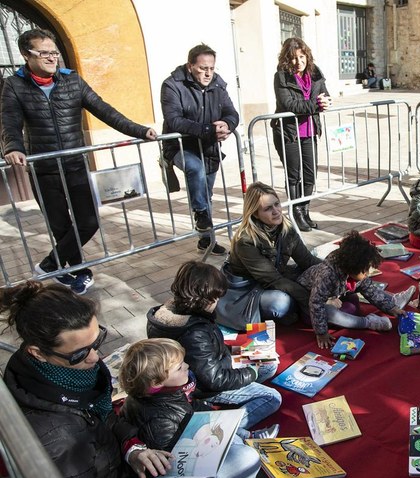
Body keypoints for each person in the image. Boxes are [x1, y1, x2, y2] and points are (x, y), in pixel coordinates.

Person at [1, 29, 156, 294]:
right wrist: (12, 147)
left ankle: (50, 265)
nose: (52, 57)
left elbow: (105, 110)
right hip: (45, 170)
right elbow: (10, 123)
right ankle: (78, 272)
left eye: (54, 52)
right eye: (44, 52)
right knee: (61, 228)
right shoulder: (14, 85)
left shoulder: (72, 81)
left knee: (88, 222)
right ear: (27, 55)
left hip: (75, 166)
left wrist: (140, 130)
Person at [1, 281, 171, 478]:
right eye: (79, 353)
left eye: (97, 340)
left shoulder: (59, 374)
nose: (95, 357)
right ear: (38, 353)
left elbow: (102, 417)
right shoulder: (57, 439)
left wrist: (132, 449)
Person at [118, 338, 264, 478]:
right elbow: (173, 466)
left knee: (236, 440)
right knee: (246, 456)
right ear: (156, 382)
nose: (187, 366)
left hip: (193, 447)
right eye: (179, 367)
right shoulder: (157, 421)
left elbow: (188, 407)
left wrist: (213, 416)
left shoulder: (165, 392)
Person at [146, 261, 282, 439]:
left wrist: (243, 353)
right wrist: (251, 373)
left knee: (268, 364)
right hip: (204, 387)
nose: (217, 303)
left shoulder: (173, 313)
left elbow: (209, 353)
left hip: (208, 371)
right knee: (272, 397)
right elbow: (214, 380)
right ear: (204, 299)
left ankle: (242, 393)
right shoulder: (194, 332)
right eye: (216, 298)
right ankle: (225, 429)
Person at [161, 43, 239, 255]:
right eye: (203, 68)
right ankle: (201, 214)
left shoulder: (218, 85)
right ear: (190, 66)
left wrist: (227, 125)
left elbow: (232, 112)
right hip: (180, 146)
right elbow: (174, 120)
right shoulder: (172, 85)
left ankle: (206, 240)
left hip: (208, 147)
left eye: (212, 68)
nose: (208, 73)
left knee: (206, 192)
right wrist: (207, 130)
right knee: (195, 169)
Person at [298, 231, 415, 349]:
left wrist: (390, 307)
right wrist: (321, 333)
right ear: (352, 267)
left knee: (353, 304)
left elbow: (370, 290)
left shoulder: (352, 268)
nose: (367, 274)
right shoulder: (327, 275)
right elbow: (316, 303)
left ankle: (393, 301)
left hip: (334, 296)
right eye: (364, 271)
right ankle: (369, 322)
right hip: (307, 302)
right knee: (332, 314)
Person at [227, 181, 321, 324]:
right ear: (255, 214)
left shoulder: (285, 227)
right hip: (249, 291)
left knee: (316, 275)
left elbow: (307, 261)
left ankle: (295, 311)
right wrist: (313, 300)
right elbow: (273, 280)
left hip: (276, 279)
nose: (276, 211)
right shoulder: (245, 240)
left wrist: (338, 272)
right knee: (281, 303)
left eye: (277, 204)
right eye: (268, 208)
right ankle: (288, 312)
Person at [273, 37, 332, 232]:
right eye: (293, 58)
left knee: (310, 175)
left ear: (307, 55)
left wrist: (326, 101)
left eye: (301, 56)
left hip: (309, 131)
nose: (298, 61)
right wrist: (316, 104)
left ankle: (304, 210)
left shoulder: (315, 74)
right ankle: (295, 214)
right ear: (286, 60)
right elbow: (289, 105)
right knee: (294, 176)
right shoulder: (281, 77)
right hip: (289, 133)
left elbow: (325, 95)